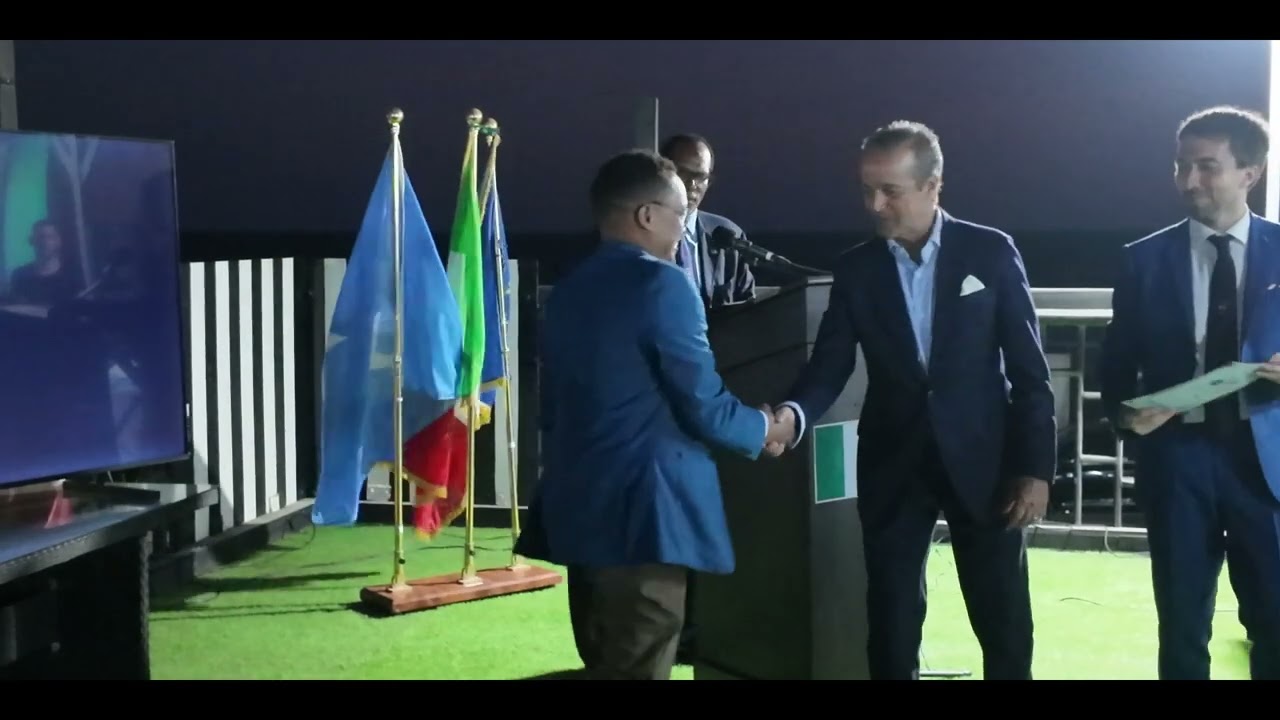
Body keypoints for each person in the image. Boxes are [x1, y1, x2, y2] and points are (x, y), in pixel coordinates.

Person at [765, 120, 1056, 680]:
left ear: (933, 186)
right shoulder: (856, 268)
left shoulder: (991, 252)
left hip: (985, 463)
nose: (874, 205)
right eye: (866, 190)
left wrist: (1034, 470)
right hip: (892, 463)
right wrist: (791, 416)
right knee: (892, 619)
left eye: (889, 191)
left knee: (1002, 617)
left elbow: (1030, 373)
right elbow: (829, 364)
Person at [514, 149, 794, 680]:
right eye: (680, 214)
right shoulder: (664, 284)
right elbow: (704, 404)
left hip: (580, 512)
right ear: (647, 215)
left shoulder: (568, 291)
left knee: (605, 660)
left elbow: (553, 409)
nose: (684, 228)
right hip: (645, 521)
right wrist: (766, 427)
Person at [1100, 105, 1280, 680]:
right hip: (1178, 459)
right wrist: (1125, 416)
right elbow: (1116, 362)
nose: (1189, 180)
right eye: (1181, 166)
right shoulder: (1142, 260)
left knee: (1276, 620)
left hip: (1267, 464)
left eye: (1207, 166)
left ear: (1250, 172)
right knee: (1181, 624)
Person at [659, 133, 756, 308]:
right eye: (683, 173)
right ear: (662, 173)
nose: (692, 185)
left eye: (701, 177)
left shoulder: (730, 236)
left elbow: (750, 309)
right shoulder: (640, 236)